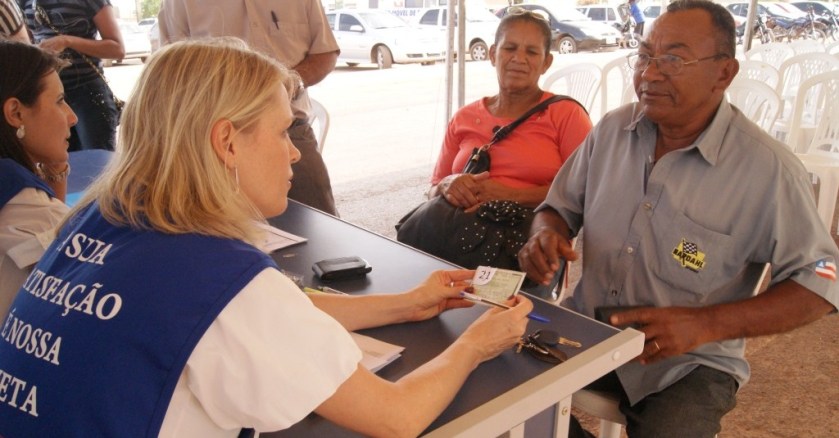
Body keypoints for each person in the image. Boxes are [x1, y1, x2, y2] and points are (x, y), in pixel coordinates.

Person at [0, 38, 533, 436]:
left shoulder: (100, 218)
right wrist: (476, 344)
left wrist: (406, 303)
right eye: (282, 131)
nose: (295, 151)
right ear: (227, 142)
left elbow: (261, 312)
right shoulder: (217, 274)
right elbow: (396, 416)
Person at [517, 1, 838, 436]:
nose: (649, 74)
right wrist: (545, 234)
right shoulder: (611, 131)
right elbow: (558, 208)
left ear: (724, 73)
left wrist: (707, 324)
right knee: (490, 396)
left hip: (688, 363)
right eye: (644, 56)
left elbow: (822, 280)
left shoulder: (768, 170)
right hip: (588, 331)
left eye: (673, 59)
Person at [400, 9, 591, 271]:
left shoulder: (566, 114)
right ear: (492, 54)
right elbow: (434, 188)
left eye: (531, 52)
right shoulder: (464, 117)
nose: (519, 59)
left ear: (546, 62)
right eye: (509, 48)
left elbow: (585, 192)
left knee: (488, 297)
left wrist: (512, 195)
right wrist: (448, 184)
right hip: (450, 238)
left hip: (522, 247)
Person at [158, 0, 341, 216]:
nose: (295, 155)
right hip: (210, 140)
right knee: (214, 220)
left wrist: (289, 86)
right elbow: (171, 71)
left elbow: (325, 52)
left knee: (320, 219)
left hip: (292, 126)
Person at [0, 41, 74, 318]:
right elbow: (75, 252)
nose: (71, 117)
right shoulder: (22, 204)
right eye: (59, 101)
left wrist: (54, 169)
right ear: (16, 113)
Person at [19, 0, 124, 152]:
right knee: (59, 158)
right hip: (48, 94)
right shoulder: (24, 2)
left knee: (97, 159)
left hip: (88, 93)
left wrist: (68, 41)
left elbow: (117, 49)